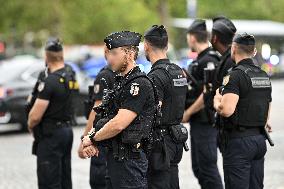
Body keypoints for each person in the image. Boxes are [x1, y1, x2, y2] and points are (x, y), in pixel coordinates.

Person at [82, 31, 157, 189]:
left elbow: (118, 124)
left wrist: (93, 139)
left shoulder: (138, 84)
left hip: (131, 162)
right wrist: (90, 137)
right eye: (109, 53)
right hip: (116, 158)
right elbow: (106, 118)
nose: (109, 58)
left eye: (114, 53)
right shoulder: (121, 82)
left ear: (129, 54)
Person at [213, 33, 272, 189]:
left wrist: (216, 101)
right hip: (259, 140)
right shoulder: (263, 75)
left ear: (233, 49)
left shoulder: (235, 76)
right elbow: (267, 109)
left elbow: (226, 110)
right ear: (253, 52)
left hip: (239, 142)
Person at [28, 37, 78, 189]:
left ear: (46, 56)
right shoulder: (70, 74)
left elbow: (35, 116)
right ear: (62, 55)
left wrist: (31, 125)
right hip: (66, 130)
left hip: (50, 134)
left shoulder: (50, 81)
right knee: (64, 176)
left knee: (48, 179)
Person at [144, 25, 188, 189]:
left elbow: (154, 111)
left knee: (158, 183)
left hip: (160, 143)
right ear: (167, 46)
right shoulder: (178, 71)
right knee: (172, 182)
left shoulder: (155, 76)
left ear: (146, 45)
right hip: (176, 139)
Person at [182, 19, 223, 189]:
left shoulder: (208, 60)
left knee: (207, 168)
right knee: (199, 168)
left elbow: (209, 93)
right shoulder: (199, 60)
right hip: (198, 123)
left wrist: (188, 112)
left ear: (192, 38)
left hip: (206, 123)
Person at [78, 46, 116, 189]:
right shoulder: (125, 73)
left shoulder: (104, 75)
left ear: (106, 52)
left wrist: (85, 139)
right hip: (115, 138)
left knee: (99, 180)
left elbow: (96, 110)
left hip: (101, 138)